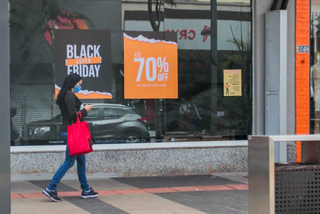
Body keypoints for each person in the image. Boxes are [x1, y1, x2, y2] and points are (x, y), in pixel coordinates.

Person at [42, 74, 98, 202]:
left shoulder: (67, 95)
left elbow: (71, 114)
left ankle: (86, 189)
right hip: (71, 132)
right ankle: (51, 187)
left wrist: (83, 110)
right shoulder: (69, 95)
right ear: (74, 83)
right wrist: (85, 110)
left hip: (70, 131)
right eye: (79, 83)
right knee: (69, 162)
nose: (80, 86)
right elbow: (73, 115)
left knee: (81, 161)